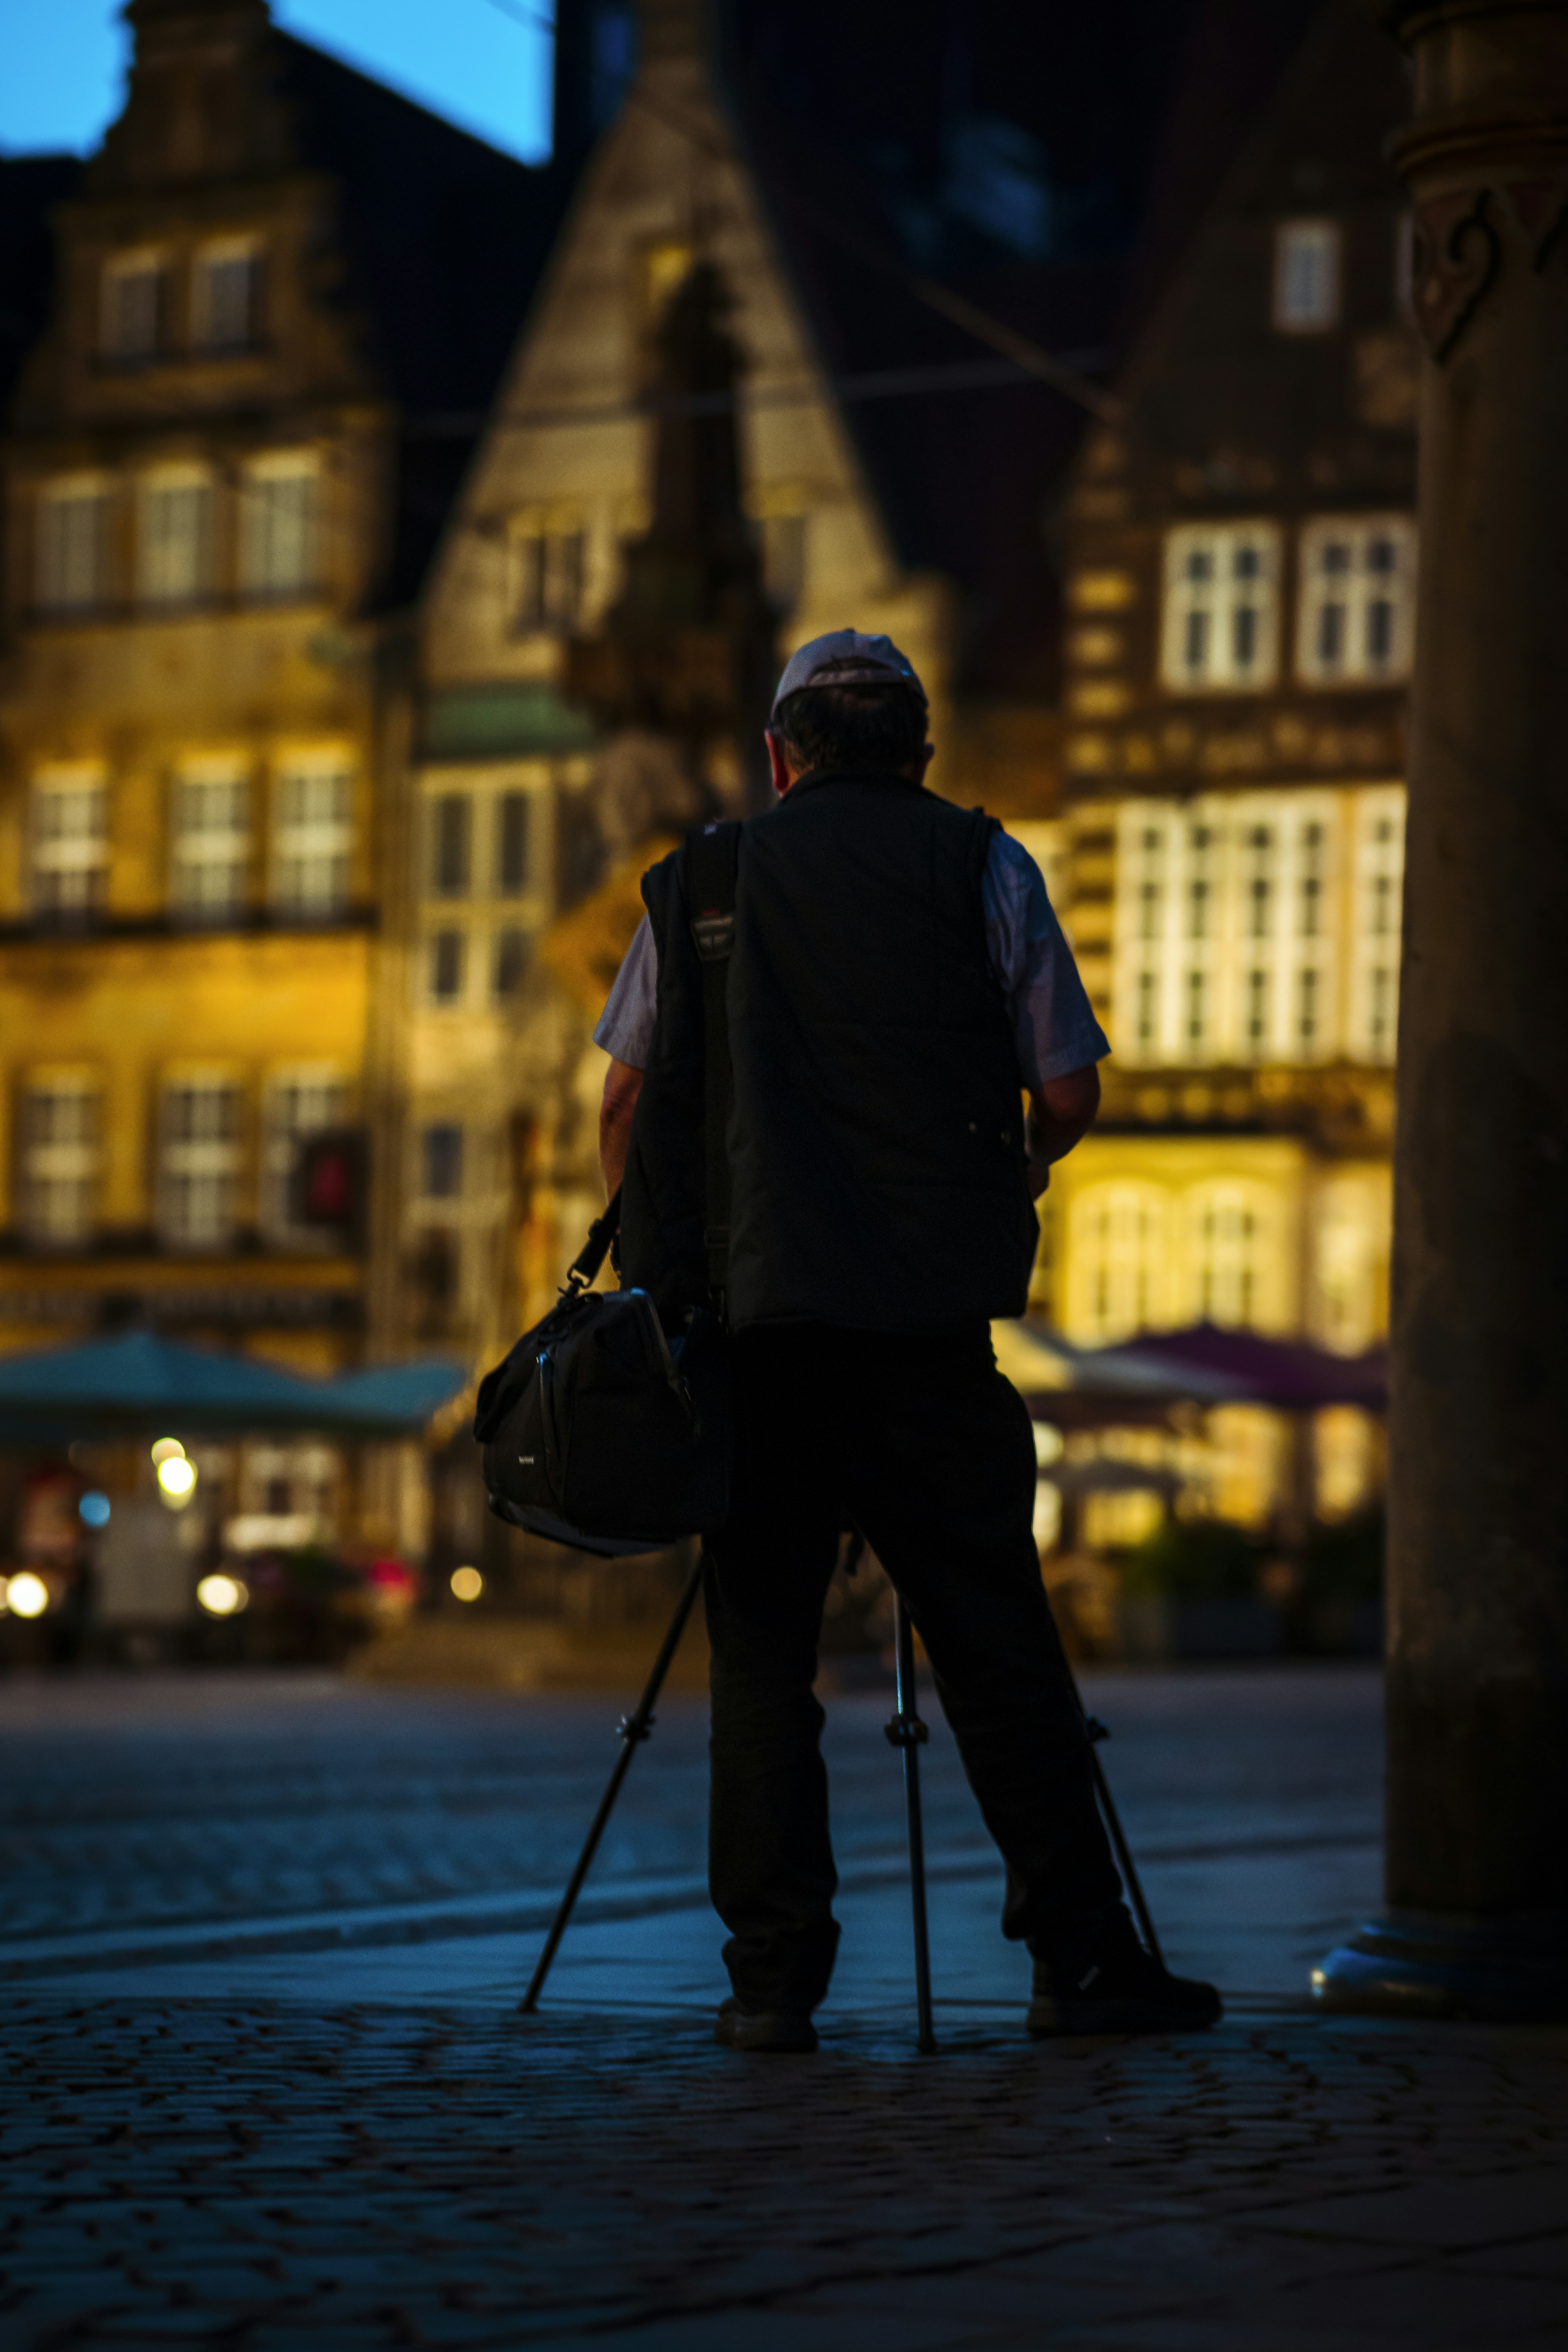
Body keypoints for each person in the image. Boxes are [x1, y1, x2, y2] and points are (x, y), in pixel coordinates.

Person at [593, 629, 1220, 2054]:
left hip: (755, 1340)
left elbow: (628, 1107)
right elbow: (1066, 1085)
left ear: (780, 755)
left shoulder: (701, 880)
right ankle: (1079, 1960)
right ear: (923, 753)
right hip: (930, 1334)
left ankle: (771, 1982)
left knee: (762, 1661)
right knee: (999, 1645)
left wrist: (679, 1251)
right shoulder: (984, 864)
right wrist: (1009, 1164)